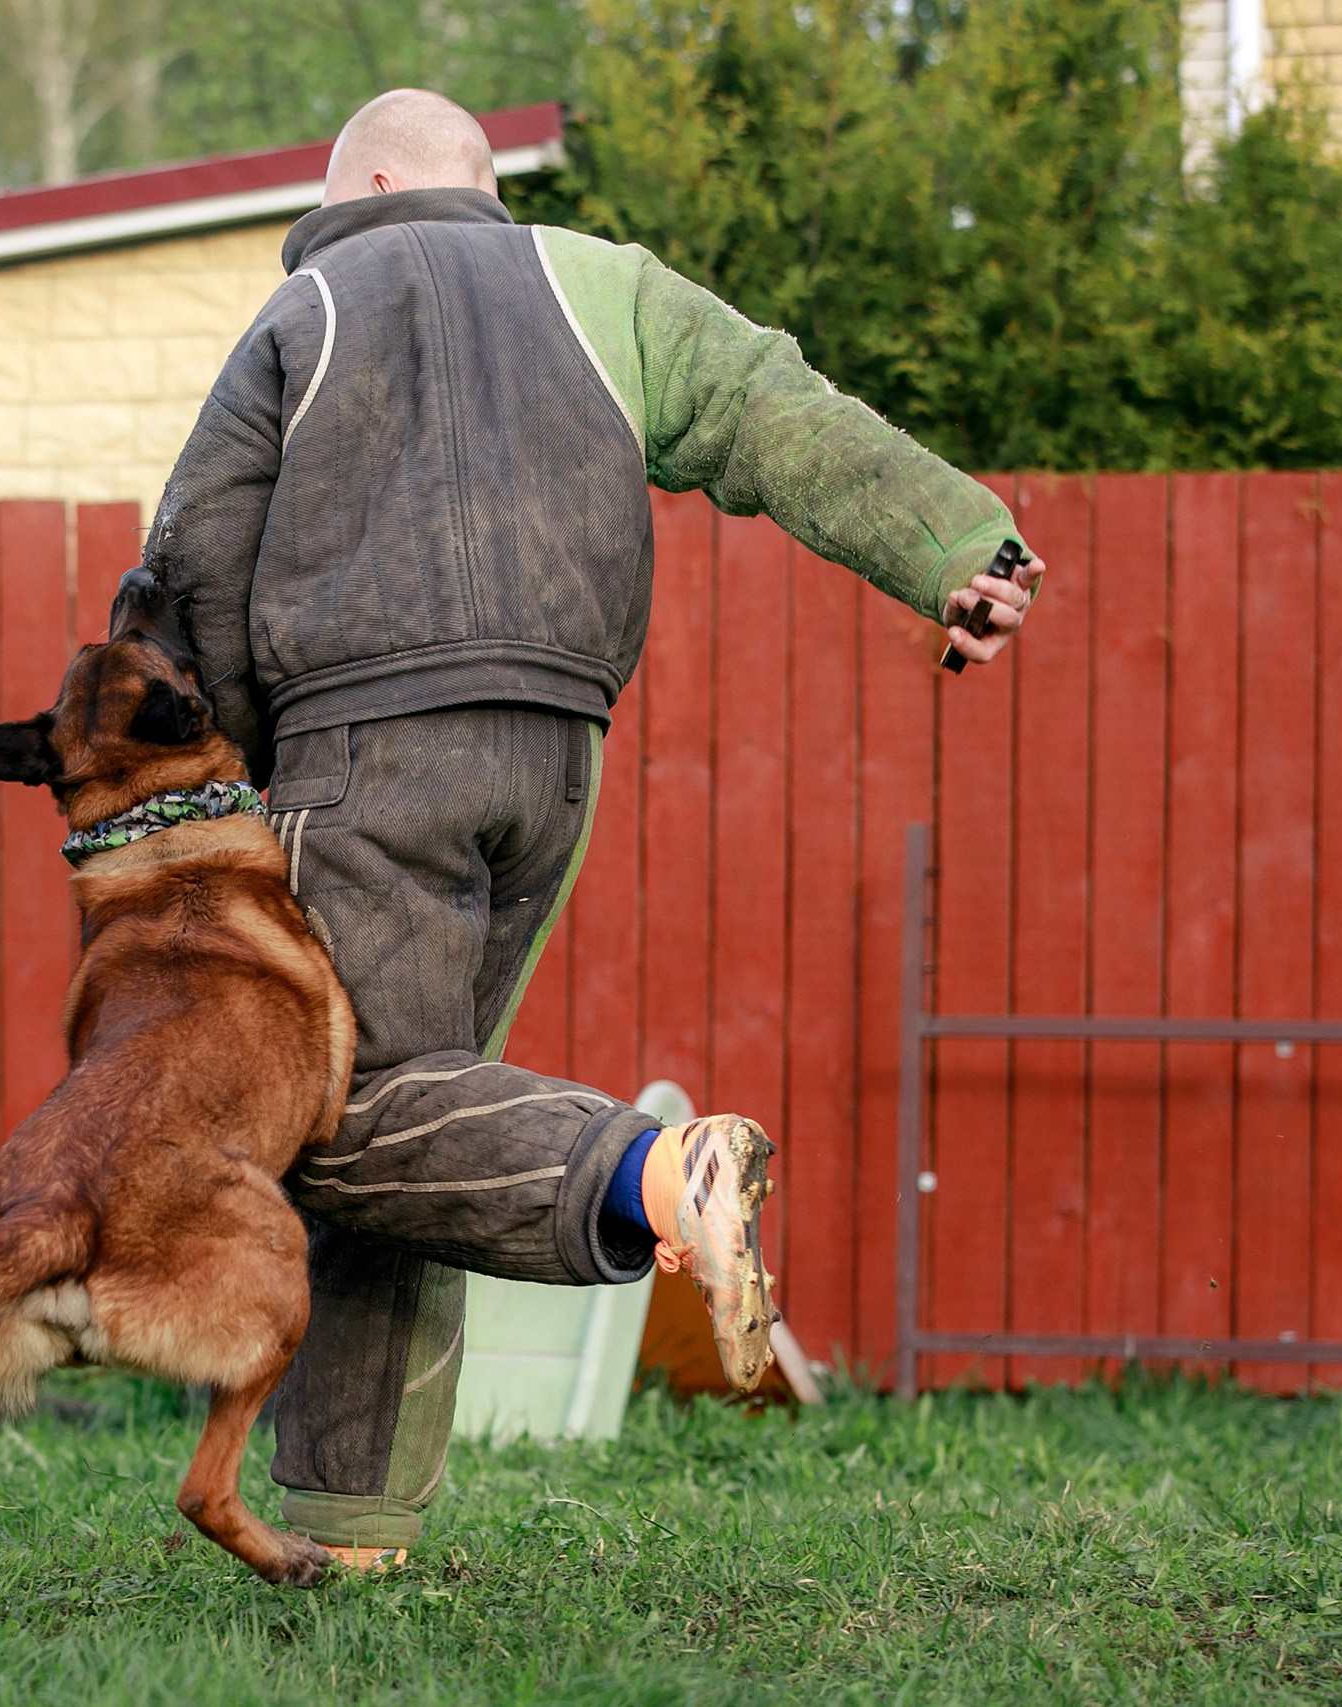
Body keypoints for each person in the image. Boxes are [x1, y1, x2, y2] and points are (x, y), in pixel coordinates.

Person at [142, 88, 1043, 1569]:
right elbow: (777, 411)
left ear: (365, 182)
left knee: (311, 1115)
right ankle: (353, 1525)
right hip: (553, 758)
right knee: (421, 1106)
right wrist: (955, 541)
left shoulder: (311, 300)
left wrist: (228, 775)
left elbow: (195, 557)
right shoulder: (607, 284)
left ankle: (652, 1175)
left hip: (363, 754)